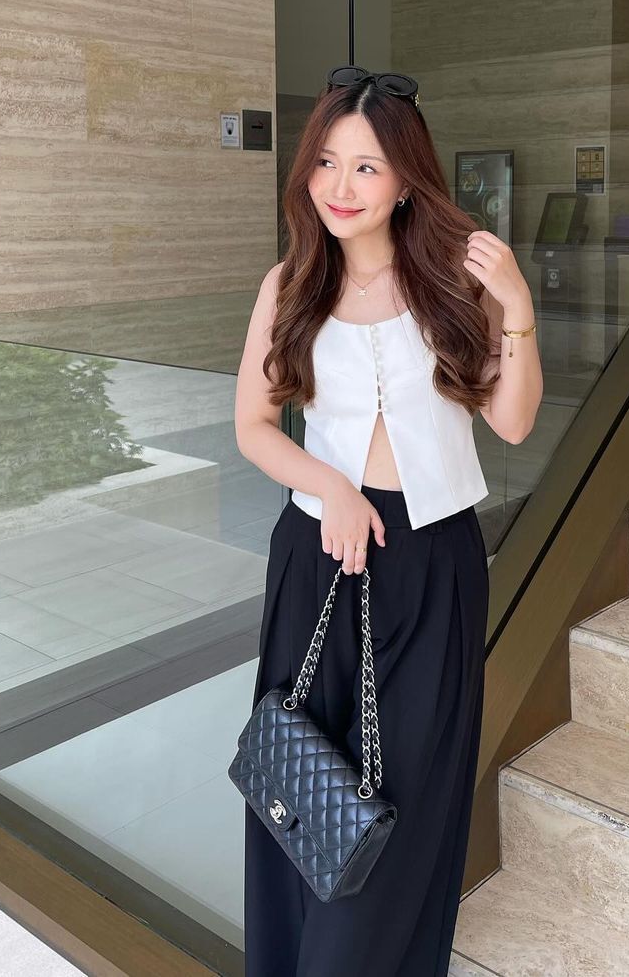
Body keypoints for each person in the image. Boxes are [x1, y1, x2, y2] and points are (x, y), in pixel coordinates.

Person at [233, 65, 543, 977]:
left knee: (404, 796)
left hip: (432, 563)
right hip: (318, 554)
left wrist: (518, 307)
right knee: (304, 784)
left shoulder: (454, 283)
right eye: (326, 162)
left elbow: (513, 422)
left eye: (366, 166)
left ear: (407, 178)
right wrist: (331, 487)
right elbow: (253, 426)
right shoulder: (289, 284)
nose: (340, 185)